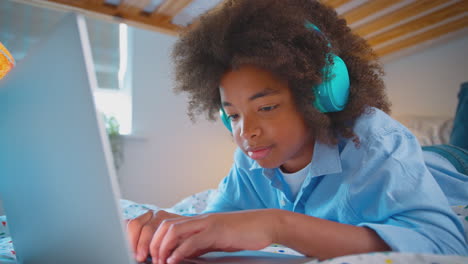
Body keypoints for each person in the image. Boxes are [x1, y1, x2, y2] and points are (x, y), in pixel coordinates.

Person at [127, 1, 468, 263]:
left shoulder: (375, 140)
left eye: (266, 107)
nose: (247, 133)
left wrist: (277, 224)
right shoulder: (250, 162)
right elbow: (221, 223)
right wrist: (174, 228)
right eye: (232, 115)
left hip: (452, 166)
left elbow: (445, 247)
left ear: (318, 93)